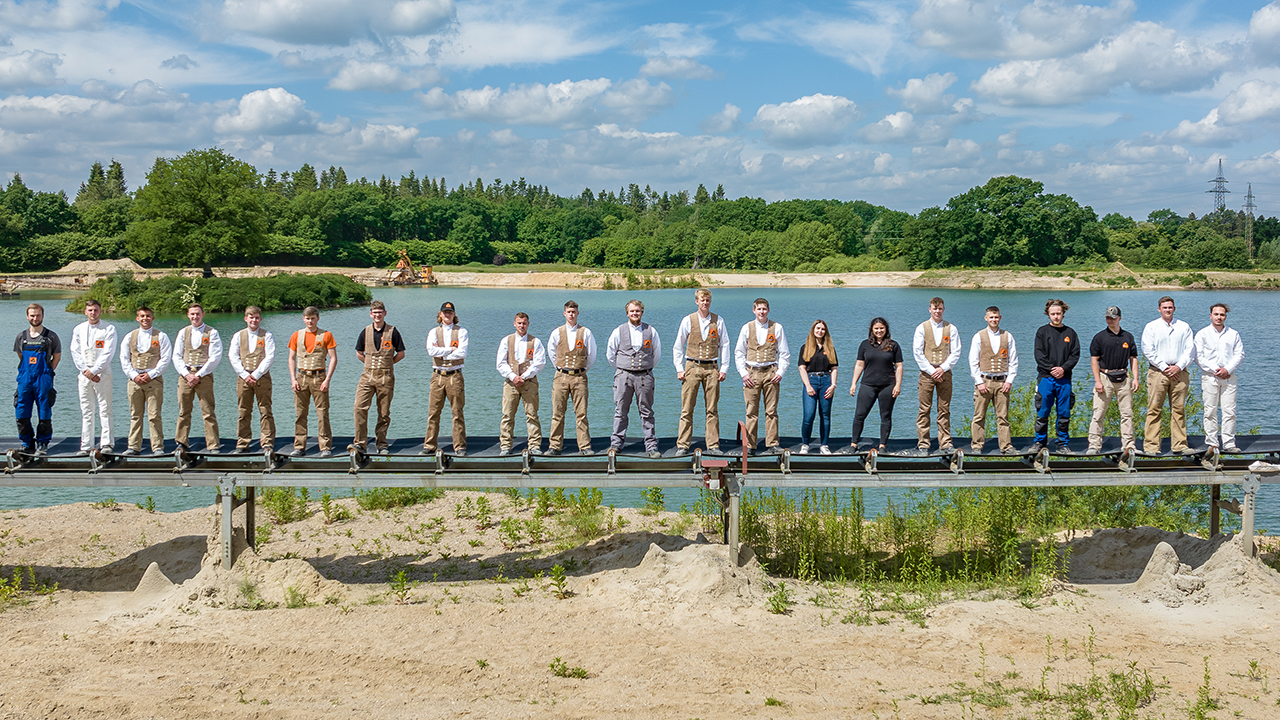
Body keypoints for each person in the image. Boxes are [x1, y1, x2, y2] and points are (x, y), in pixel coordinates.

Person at [672, 288, 730, 455]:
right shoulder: (688, 320)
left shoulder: (718, 321)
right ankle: (683, 445)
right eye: (702, 300)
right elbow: (678, 345)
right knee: (687, 408)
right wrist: (679, 368)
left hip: (712, 367)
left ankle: (713, 445)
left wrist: (724, 368)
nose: (705, 303)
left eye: (707, 300)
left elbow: (725, 345)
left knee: (712, 409)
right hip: (692, 366)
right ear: (696, 301)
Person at [606, 299, 661, 458]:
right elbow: (610, 354)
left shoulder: (651, 331)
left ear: (642, 312)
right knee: (620, 411)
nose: (635, 313)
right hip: (624, 376)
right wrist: (621, 370)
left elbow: (656, 354)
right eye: (632, 311)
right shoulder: (618, 331)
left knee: (647, 411)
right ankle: (616, 443)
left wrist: (645, 367)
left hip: (645, 376)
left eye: (637, 311)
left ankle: (651, 445)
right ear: (627, 313)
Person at [735, 297, 790, 454]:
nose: (762, 312)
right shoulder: (747, 328)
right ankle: (751, 445)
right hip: (751, 373)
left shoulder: (777, 327)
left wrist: (780, 372)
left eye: (764, 309)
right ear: (754, 310)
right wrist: (743, 374)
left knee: (771, 411)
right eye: (759, 309)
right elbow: (739, 352)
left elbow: (785, 354)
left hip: (771, 372)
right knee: (751, 411)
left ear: (768, 310)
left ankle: (772, 443)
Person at [1141, 296, 1194, 455]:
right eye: (1164, 308)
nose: (1168, 310)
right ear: (1159, 309)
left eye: (1170, 307)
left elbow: (1190, 350)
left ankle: (1180, 445)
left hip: (1180, 373)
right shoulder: (1151, 327)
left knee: (1178, 410)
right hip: (1158, 372)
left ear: (1174, 309)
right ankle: (1151, 446)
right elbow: (1147, 350)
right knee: (1154, 409)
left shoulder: (1184, 327)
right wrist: (1165, 367)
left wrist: (1178, 366)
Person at [118, 306, 171, 456]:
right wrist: (134, 375)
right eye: (142, 316)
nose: (145, 319)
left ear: (152, 318)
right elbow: (124, 359)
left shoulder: (161, 336)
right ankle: (134, 446)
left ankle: (157, 446)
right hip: (134, 380)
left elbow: (165, 359)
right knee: (135, 414)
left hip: (153, 380)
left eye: (148, 316)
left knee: (154, 415)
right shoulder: (129, 336)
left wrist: (151, 374)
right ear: (137, 318)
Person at [545, 300, 596, 456]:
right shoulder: (556, 332)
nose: (571, 314)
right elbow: (552, 354)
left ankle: (584, 446)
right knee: (557, 413)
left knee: (581, 413)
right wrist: (561, 369)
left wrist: (581, 370)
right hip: (561, 377)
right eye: (569, 312)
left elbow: (592, 355)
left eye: (574, 312)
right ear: (564, 313)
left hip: (579, 377)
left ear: (577, 313)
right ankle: (554, 446)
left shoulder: (586, 332)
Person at [353, 300, 405, 454]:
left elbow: (401, 354)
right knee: (359, 407)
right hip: (367, 376)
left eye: (380, 312)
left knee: (383, 412)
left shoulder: (393, 331)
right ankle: (360, 443)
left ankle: (381, 444)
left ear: (385, 313)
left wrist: (387, 365)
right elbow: (359, 353)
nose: (377, 315)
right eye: (374, 312)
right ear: (370, 314)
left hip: (385, 378)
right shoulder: (365, 331)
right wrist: (370, 365)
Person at [1087, 306, 1139, 454]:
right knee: (1098, 413)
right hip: (1105, 377)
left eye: (1113, 318)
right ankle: (1094, 445)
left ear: (1119, 318)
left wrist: (1135, 378)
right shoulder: (1099, 337)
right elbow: (1094, 360)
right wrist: (1097, 381)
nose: (1110, 320)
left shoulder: (1127, 337)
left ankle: (1128, 445)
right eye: (1108, 318)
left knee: (1127, 414)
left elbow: (1133, 358)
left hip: (1124, 378)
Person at [912, 297, 960, 454]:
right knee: (924, 409)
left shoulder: (951, 328)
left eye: (940, 308)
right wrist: (932, 370)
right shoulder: (921, 328)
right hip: (926, 374)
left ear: (944, 309)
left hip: (945, 373)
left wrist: (943, 368)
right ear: (929, 309)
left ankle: (945, 443)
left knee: (944, 409)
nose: (937, 311)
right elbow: (918, 353)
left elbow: (956, 352)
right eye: (934, 308)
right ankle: (923, 443)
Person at [288, 306, 337, 458]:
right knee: (300, 413)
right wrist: (292, 378)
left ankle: (325, 447)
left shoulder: (326, 335)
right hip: (301, 377)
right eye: (307, 318)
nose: (310, 321)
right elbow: (291, 358)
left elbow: (333, 358)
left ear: (317, 318)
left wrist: (327, 379)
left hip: (319, 377)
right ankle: (299, 446)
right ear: (303, 319)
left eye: (313, 318)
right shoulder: (296, 335)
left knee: (322, 413)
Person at [172, 303, 222, 453]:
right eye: (192, 314)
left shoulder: (212, 332)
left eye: (197, 314)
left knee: (208, 411)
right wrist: (187, 374)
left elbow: (215, 357)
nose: (195, 317)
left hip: (204, 375)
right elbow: (176, 356)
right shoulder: (183, 332)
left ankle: (213, 445)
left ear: (202, 315)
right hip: (185, 375)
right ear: (188, 315)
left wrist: (198, 375)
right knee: (183, 411)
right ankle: (181, 443)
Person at [968, 306, 1018, 455]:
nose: (994, 320)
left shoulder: (1008, 336)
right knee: (979, 416)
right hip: (984, 381)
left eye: (996, 317)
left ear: (1000, 318)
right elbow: (973, 361)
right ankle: (977, 445)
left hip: (1002, 382)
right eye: (991, 317)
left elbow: (1013, 361)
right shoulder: (978, 336)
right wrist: (978, 381)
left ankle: (1006, 446)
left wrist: (1009, 380)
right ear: (986, 318)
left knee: (1003, 417)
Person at [1194, 303, 1244, 453]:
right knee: (1210, 411)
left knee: (1230, 411)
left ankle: (1229, 443)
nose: (1219, 317)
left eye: (1222, 315)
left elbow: (1239, 354)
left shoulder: (1233, 334)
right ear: (1210, 315)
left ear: (1225, 317)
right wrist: (1215, 370)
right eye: (1216, 314)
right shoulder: (1202, 334)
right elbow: (1198, 356)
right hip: (1210, 377)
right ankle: (1212, 443)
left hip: (1229, 377)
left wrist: (1227, 369)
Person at [1031, 299, 1079, 453]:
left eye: (1058, 313)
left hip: (1064, 379)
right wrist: (1052, 369)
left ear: (1063, 314)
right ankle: (1039, 442)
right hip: (1046, 378)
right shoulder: (1042, 332)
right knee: (1042, 411)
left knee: (1064, 412)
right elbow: (1039, 354)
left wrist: (1063, 369)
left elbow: (1075, 355)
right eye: (1053, 314)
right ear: (1048, 314)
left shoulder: (1070, 333)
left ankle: (1062, 444)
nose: (1056, 316)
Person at [70, 298, 117, 455]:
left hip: (102, 374)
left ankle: (106, 443)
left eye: (96, 310)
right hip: (84, 375)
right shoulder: (79, 329)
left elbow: (108, 353)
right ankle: (86, 445)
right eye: (90, 310)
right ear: (85, 312)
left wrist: (95, 370)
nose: (93, 313)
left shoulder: (108, 329)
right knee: (87, 410)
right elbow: (74, 351)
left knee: (105, 409)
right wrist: (86, 371)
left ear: (100, 311)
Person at [848, 318, 902, 452]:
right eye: (876, 328)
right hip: (868, 385)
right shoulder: (865, 345)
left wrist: (898, 385)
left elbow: (899, 366)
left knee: (886, 416)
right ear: (872, 329)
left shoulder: (893, 345)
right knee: (860, 415)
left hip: (887, 385)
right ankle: (854, 444)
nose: (879, 331)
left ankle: (882, 445)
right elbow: (860, 364)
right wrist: (853, 383)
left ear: (886, 329)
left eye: (882, 328)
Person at [496, 312, 546, 455]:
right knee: (507, 415)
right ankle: (505, 446)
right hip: (510, 383)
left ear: (528, 324)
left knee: (532, 414)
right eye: (519, 323)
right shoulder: (506, 340)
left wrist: (523, 376)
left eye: (524, 323)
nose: (521, 326)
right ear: (514, 324)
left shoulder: (536, 342)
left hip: (529, 383)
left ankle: (534, 445)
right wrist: (513, 376)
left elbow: (540, 362)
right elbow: (500, 363)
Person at [13, 303, 60, 454]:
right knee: (21, 412)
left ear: (43, 316)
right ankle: (27, 443)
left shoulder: (51, 336)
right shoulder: (21, 336)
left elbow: (57, 357)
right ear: (27, 316)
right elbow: (20, 356)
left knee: (45, 412)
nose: (35, 318)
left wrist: (47, 372)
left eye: (38, 315)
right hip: (25, 380)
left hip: (43, 379)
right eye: (32, 315)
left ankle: (43, 443)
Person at [228, 306, 276, 453]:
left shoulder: (267, 335)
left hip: (262, 377)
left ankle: (267, 442)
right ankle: (243, 442)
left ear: (260, 319)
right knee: (243, 411)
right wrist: (244, 374)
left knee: (265, 410)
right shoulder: (238, 336)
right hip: (243, 377)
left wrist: (255, 375)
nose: (254, 320)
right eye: (251, 317)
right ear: (245, 318)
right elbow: (233, 356)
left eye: (256, 317)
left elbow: (270, 356)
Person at [423, 301, 468, 455]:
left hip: (455, 376)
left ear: (454, 314)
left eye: (450, 312)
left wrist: (440, 352)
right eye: (445, 312)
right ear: (440, 314)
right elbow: (430, 350)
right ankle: (429, 445)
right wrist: (450, 350)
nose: (447, 315)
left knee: (457, 412)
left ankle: (460, 446)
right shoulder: (433, 332)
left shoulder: (462, 331)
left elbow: (462, 353)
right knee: (433, 412)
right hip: (437, 375)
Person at [798, 319, 838, 455]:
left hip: (826, 381)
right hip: (811, 380)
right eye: (817, 329)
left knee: (825, 415)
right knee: (808, 415)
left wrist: (833, 385)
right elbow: (802, 368)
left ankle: (824, 445)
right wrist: (808, 385)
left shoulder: (830, 348)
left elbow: (834, 368)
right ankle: (805, 444)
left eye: (822, 329)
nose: (820, 331)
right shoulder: (806, 347)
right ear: (813, 330)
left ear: (825, 331)